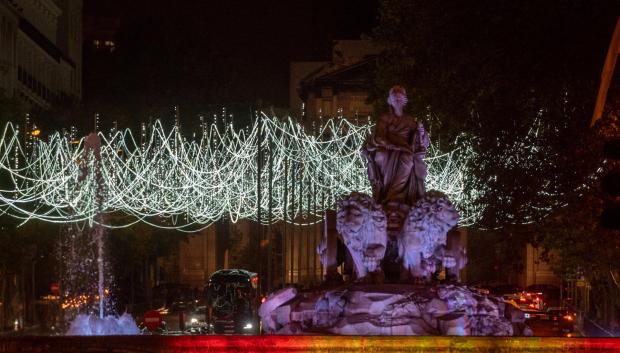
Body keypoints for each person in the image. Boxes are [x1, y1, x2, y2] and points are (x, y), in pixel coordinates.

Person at [362, 86, 429, 206]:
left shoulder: (410, 120)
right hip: (387, 149)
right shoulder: (384, 118)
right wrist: (392, 146)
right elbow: (378, 137)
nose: (397, 101)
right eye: (395, 98)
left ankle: (392, 197)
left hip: (405, 150)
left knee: (407, 159)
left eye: (400, 98)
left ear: (404, 101)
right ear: (390, 101)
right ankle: (386, 194)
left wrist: (421, 131)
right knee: (381, 156)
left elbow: (422, 142)